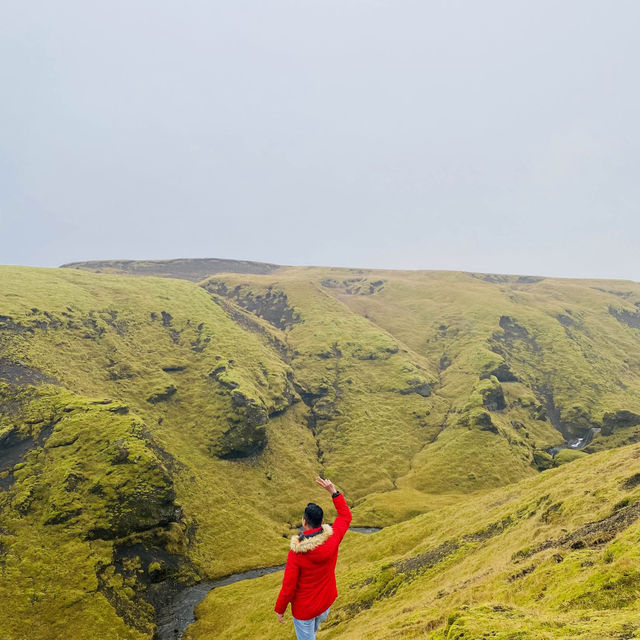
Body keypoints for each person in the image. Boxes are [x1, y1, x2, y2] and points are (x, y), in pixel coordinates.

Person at [274, 476, 352, 639]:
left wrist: (280, 609)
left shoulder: (297, 553)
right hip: (325, 604)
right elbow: (345, 516)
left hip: (305, 610)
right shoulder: (333, 536)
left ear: (304, 522)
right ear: (322, 521)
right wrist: (333, 492)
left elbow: (289, 587)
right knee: (313, 633)